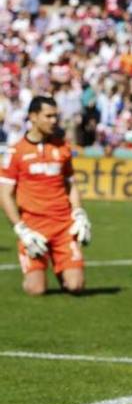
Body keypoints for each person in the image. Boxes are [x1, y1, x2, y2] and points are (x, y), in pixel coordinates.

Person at [0, 96, 91, 296]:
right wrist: (20, 229)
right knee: (36, 289)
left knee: (75, 286)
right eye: (48, 116)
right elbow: (4, 194)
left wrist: (79, 212)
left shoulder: (63, 147)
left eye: (55, 116)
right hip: (33, 228)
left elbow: (70, 184)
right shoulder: (15, 151)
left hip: (62, 226)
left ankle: (63, 271)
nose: (54, 121)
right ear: (33, 117)